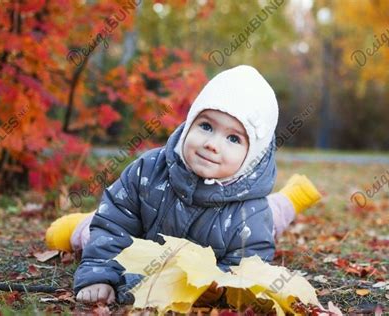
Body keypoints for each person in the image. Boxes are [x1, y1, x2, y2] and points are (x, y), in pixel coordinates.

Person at [45, 65, 322, 306]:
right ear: (189, 123)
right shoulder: (149, 171)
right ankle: (78, 225)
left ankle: (289, 199)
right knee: (95, 228)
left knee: (270, 217)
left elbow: (246, 269)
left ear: (252, 157)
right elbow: (112, 223)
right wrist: (99, 275)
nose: (212, 144)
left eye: (234, 139)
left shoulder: (251, 212)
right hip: (145, 236)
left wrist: (212, 288)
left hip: (239, 215)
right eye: (206, 126)